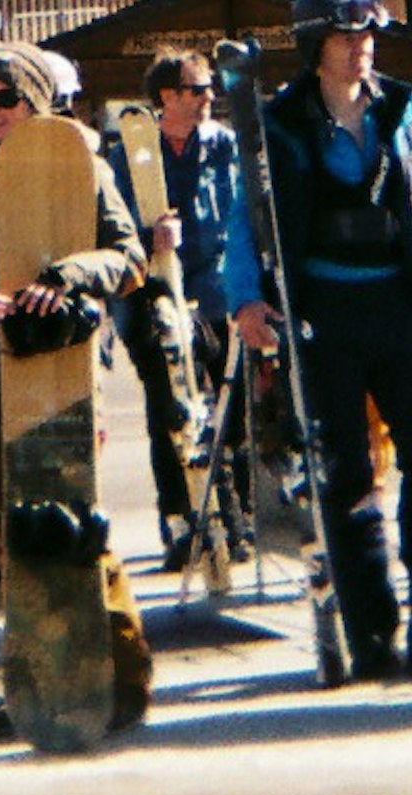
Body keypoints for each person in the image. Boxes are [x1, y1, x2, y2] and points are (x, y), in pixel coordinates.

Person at [259, 0, 412, 683]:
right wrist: (247, 299)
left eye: (367, 35)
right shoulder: (280, 118)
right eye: (344, 36)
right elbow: (252, 214)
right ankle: (370, 626)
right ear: (314, 46)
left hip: (398, 300)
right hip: (324, 310)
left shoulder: (404, 104)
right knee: (347, 472)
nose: (362, 46)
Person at [0, 45, 139, 607]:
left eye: (7, 97)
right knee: (7, 520)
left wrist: (70, 274)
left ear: (36, 102)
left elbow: (130, 259)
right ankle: (22, 662)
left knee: (71, 519)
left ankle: (82, 650)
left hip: (67, 377)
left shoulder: (83, 167)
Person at [99, 50, 278, 565]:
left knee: (230, 411)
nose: (208, 98)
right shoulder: (134, 152)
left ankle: (236, 520)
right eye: (196, 89)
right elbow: (111, 226)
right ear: (166, 97)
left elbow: (246, 212)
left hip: (218, 291)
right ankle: (181, 524)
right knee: (171, 411)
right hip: (155, 295)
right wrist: (146, 235)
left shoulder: (223, 145)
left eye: (209, 89)